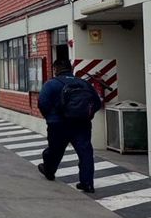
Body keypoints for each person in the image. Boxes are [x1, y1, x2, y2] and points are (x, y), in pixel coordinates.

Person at [36, 58, 102, 193]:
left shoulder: (51, 84)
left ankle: (49, 171)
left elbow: (42, 103)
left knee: (55, 150)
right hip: (81, 124)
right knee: (85, 153)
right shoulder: (84, 83)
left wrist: (50, 117)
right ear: (71, 69)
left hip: (58, 124)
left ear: (55, 69)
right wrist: (87, 115)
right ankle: (87, 183)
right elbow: (97, 102)